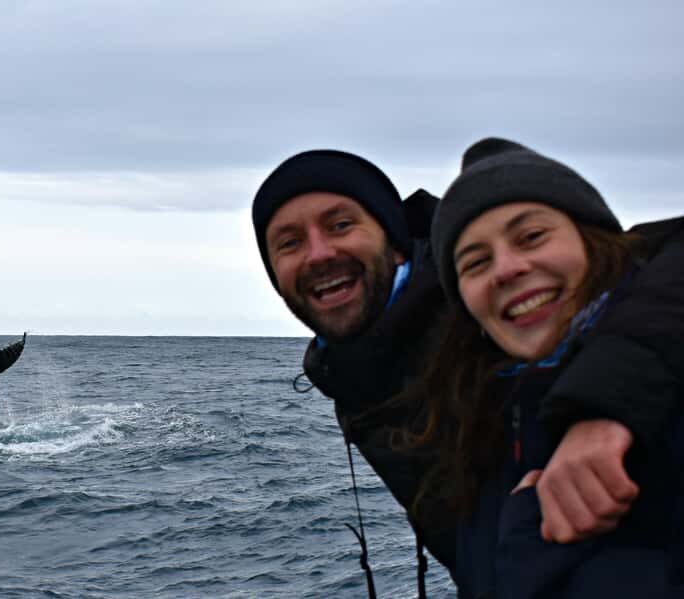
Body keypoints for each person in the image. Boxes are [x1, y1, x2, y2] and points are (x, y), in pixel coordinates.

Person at [251, 149, 653, 592]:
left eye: (341, 224)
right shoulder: (351, 372)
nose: (319, 254)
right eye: (289, 243)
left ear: (394, 240)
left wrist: (606, 405)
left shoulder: (489, 318)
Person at [408, 137, 684, 598]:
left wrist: (532, 552)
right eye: (475, 262)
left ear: (594, 241)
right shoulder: (490, 426)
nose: (507, 268)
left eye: (532, 236)